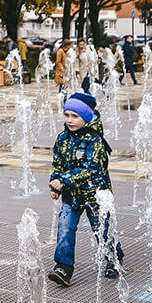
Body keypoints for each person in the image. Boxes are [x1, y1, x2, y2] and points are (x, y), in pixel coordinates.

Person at [47, 92, 120, 287]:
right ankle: (64, 267)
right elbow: (58, 164)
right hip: (71, 195)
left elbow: (91, 169)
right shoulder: (62, 138)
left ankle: (113, 257)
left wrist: (64, 181)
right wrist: (55, 184)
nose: (69, 120)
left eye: (75, 116)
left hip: (94, 195)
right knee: (65, 228)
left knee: (101, 229)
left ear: (86, 117)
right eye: (67, 115)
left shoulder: (95, 141)